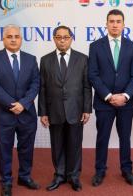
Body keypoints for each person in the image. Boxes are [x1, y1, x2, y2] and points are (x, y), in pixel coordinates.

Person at [88, 9, 133, 187]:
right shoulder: (95, 46)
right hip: (104, 102)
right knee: (102, 137)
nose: (115, 24)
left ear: (123, 24)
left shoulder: (132, 47)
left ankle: (127, 170)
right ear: (106, 24)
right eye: (111, 21)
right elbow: (93, 75)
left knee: (125, 137)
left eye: (118, 21)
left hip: (126, 103)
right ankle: (99, 170)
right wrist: (109, 96)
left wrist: (125, 96)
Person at [0, 24, 40, 196]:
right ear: (3, 39)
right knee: (4, 151)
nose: (13, 39)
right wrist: (12, 105)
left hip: (26, 114)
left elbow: (35, 84)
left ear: (21, 39)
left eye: (16, 36)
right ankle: (6, 181)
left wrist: (23, 104)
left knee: (26, 149)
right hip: (3, 115)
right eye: (9, 36)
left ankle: (24, 176)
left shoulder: (31, 59)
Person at [38, 25, 92, 192]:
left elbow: (86, 87)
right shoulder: (45, 60)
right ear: (54, 39)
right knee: (57, 145)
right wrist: (43, 112)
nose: (62, 40)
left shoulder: (82, 59)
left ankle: (74, 176)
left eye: (66, 37)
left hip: (76, 110)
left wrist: (86, 109)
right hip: (54, 111)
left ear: (71, 38)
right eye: (59, 37)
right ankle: (60, 174)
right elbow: (43, 88)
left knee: (75, 145)